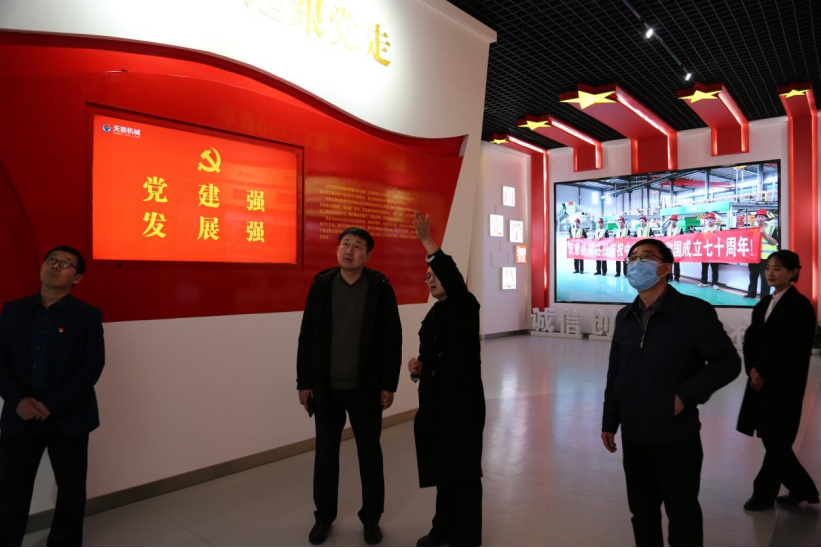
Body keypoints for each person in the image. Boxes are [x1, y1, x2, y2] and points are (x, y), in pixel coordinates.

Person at [601, 239, 741, 548]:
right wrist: (610, 420)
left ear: (665, 267)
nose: (637, 264)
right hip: (634, 434)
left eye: (646, 257)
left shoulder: (693, 312)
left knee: (682, 513)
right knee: (642, 512)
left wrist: (683, 398)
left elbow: (727, 363)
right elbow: (616, 373)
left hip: (675, 435)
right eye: (632, 258)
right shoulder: (625, 316)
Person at [296, 228, 402, 546]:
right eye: (345, 244)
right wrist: (305, 382)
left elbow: (392, 339)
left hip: (365, 389)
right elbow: (307, 336)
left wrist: (389, 383)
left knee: (370, 454)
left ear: (367, 256)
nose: (349, 250)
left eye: (357, 246)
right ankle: (324, 517)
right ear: (337, 250)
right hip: (326, 389)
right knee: (326, 455)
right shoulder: (322, 285)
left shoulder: (380, 288)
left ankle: (371, 519)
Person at [0, 246, 106, 548]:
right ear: (42, 267)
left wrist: (51, 404)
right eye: (51, 260)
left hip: (69, 417)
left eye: (65, 264)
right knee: (10, 490)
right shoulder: (13, 310)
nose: (55, 266)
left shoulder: (87, 316)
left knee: (71, 490)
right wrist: (18, 400)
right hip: (20, 417)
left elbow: (91, 367)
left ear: (77, 278)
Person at [409, 212, 485, 548]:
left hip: (462, 406)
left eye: (435, 274)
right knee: (443, 470)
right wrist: (419, 367)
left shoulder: (465, 306)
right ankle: (442, 528)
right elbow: (433, 354)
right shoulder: (434, 314)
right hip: (436, 404)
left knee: (464, 472)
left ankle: (466, 537)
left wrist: (428, 243)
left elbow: (452, 278)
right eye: (427, 276)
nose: (430, 279)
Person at [738, 251, 819, 511]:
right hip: (759, 380)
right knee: (774, 439)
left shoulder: (800, 306)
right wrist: (752, 369)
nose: (771, 273)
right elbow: (751, 340)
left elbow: (791, 348)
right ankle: (802, 488)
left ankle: (763, 495)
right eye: (768, 268)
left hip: (783, 384)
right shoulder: (764, 303)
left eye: (778, 268)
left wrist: (763, 372)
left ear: (793, 272)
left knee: (777, 440)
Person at [744, 210, 779, 300]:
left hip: (766, 258)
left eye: (762, 217)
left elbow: (774, 242)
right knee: (753, 276)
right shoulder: (752, 229)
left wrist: (764, 233)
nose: (760, 219)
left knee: (765, 277)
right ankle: (751, 293)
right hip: (754, 257)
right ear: (756, 218)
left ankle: (764, 297)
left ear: (766, 218)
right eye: (758, 217)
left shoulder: (772, 228)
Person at [699, 213, 721, 289]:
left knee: (714, 268)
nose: (710, 221)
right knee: (704, 267)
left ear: (714, 220)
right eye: (708, 219)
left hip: (714, 251)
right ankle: (703, 282)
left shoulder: (718, 228)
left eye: (711, 219)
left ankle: (714, 283)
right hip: (705, 250)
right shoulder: (703, 228)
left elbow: (722, 238)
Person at [666, 215, 685, 283]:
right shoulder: (667, 229)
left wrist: (678, 236)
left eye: (674, 220)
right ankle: (669, 277)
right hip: (669, 248)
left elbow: (683, 238)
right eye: (672, 220)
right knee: (669, 263)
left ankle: (677, 278)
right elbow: (664, 238)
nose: (673, 221)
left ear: (676, 221)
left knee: (676, 264)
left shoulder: (679, 229)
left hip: (677, 248)